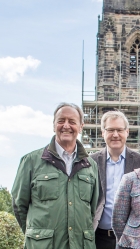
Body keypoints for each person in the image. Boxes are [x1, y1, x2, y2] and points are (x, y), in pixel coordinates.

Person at [11, 102, 99, 249]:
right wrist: (37, 235)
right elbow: (19, 205)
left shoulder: (91, 165)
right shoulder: (31, 161)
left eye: (72, 122)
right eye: (61, 121)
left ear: (81, 127)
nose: (66, 125)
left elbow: (92, 209)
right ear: (53, 125)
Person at [90, 111, 140, 249]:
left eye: (120, 130)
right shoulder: (90, 162)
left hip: (131, 237)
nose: (115, 134)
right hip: (98, 237)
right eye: (110, 130)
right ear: (103, 133)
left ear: (127, 132)